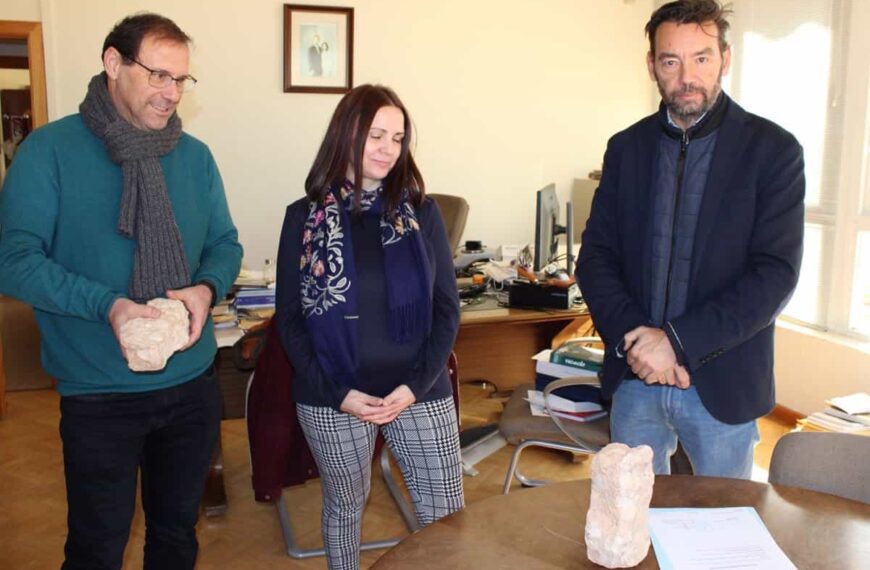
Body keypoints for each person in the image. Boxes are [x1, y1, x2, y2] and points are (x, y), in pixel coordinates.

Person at [0, 13, 242, 569]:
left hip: (191, 386)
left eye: (181, 80)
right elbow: (14, 261)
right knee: (96, 548)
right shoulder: (49, 152)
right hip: (99, 393)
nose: (171, 94)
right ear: (113, 63)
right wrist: (107, 305)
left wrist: (206, 290)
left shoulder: (195, 156)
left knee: (177, 538)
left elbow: (225, 244)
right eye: (158, 75)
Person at [576, 0, 804, 479]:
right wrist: (640, 343)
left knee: (723, 532)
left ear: (726, 57)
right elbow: (596, 258)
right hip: (635, 375)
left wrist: (676, 344)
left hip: (722, 381)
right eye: (670, 61)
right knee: (632, 526)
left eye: (701, 57)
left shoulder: (774, 152)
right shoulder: (625, 148)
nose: (686, 76)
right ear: (651, 66)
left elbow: (774, 275)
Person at [276, 84, 464, 569]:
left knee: (446, 515)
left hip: (418, 388)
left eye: (398, 138)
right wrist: (337, 392)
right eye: (376, 135)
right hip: (333, 395)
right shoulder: (303, 219)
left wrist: (414, 386)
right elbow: (291, 320)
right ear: (346, 134)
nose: (388, 148)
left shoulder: (421, 214)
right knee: (345, 506)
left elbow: (447, 310)